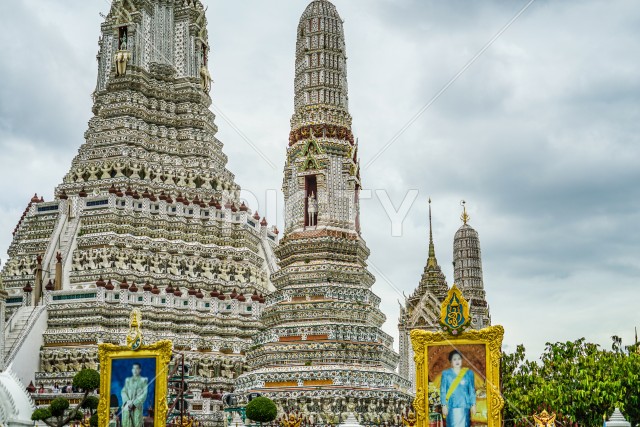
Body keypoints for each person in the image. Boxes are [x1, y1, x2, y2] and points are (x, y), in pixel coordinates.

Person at [440, 350, 475, 427]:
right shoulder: (446, 374)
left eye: (459, 359)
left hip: (465, 407)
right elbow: (443, 391)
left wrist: (473, 404)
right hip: (451, 407)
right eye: (454, 359)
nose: (457, 361)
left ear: (462, 360)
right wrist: (443, 405)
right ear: (451, 361)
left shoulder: (468, 373)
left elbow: (471, 390)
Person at [121, 362, 149, 427]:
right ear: (132, 370)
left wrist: (134, 403)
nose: (135, 370)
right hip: (127, 406)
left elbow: (144, 394)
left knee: (137, 423)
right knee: (127, 423)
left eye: (137, 368)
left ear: (140, 370)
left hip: (137, 407)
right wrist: (127, 401)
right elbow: (123, 391)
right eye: (133, 368)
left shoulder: (143, 381)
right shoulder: (128, 380)